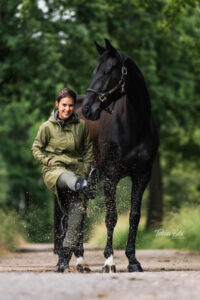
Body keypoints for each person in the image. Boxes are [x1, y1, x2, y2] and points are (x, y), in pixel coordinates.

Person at [32, 87, 98, 272]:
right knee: (65, 176)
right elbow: (36, 149)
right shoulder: (47, 127)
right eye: (64, 105)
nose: (67, 109)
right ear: (57, 104)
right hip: (55, 171)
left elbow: (88, 151)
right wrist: (48, 160)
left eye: (70, 106)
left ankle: (64, 256)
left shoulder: (81, 126)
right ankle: (83, 185)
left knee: (77, 216)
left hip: (77, 172)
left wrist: (84, 172)